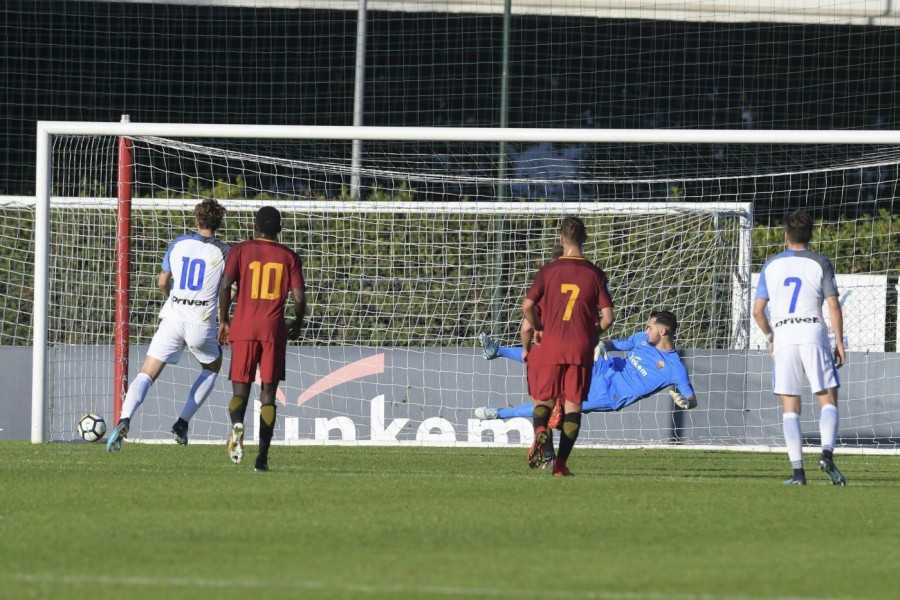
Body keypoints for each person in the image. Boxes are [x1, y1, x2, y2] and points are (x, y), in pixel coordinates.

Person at [106, 199, 229, 452]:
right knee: (212, 367)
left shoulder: (179, 242)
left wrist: (174, 298)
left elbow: (162, 282)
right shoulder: (226, 252)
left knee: (147, 372)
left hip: (172, 318)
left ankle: (124, 418)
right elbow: (231, 290)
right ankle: (182, 423)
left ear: (196, 221)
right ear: (219, 223)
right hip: (202, 322)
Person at [752, 209, 846, 486]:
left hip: (784, 335)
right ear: (811, 233)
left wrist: (771, 337)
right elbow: (833, 304)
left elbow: (758, 311)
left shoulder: (771, 265)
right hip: (813, 331)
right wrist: (838, 342)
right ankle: (826, 452)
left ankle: (798, 473)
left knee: (790, 405)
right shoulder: (821, 263)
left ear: (785, 235)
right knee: (827, 396)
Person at [477, 310, 697, 425]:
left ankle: (498, 414)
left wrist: (686, 402)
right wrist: (603, 344)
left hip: (610, 394)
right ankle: (497, 351)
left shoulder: (674, 367)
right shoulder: (641, 339)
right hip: (604, 367)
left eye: (650, 327)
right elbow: (616, 344)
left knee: (556, 406)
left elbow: (692, 399)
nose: (645, 330)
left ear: (663, 332)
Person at [521, 216, 614, 476]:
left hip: (550, 344)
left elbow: (527, 307)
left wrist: (538, 327)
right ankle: (560, 465)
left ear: (561, 239)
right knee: (573, 406)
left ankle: (541, 431)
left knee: (545, 401)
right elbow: (608, 317)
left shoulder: (547, 271)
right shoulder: (595, 274)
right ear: (585, 239)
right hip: (580, 348)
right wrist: (592, 333)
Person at [218, 206, 305, 472]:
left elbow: (225, 286)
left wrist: (223, 320)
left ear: (255, 227)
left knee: (240, 390)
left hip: (243, 327)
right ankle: (262, 459)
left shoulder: (240, 250)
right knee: (268, 395)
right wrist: (298, 322)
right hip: (272, 329)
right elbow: (299, 298)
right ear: (279, 229)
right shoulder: (289, 256)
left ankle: (237, 424)